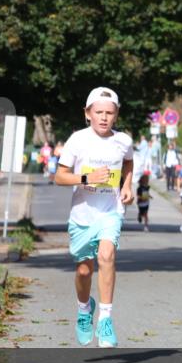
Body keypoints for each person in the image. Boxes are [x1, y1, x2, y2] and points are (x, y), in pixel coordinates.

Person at [54, 87, 134, 348]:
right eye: (98, 112)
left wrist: (127, 186)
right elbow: (60, 176)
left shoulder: (123, 141)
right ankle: (84, 308)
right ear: (87, 114)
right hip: (82, 214)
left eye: (109, 113)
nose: (103, 117)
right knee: (84, 270)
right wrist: (87, 178)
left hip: (110, 212)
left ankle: (106, 319)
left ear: (116, 115)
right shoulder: (77, 140)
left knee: (107, 256)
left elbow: (129, 162)